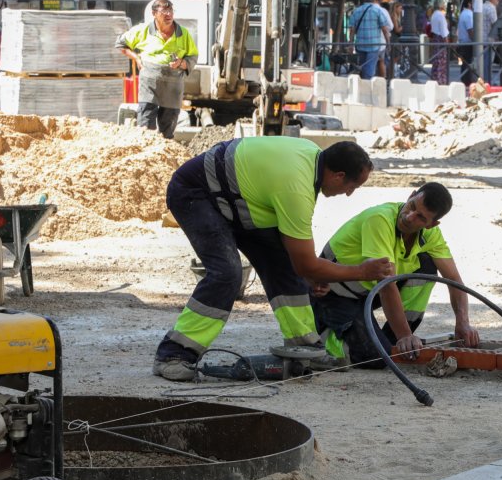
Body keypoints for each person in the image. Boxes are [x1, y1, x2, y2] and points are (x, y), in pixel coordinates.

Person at [153, 137, 395, 381]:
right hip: (197, 193)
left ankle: (304, 348)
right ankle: (174, 354)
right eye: (352, 186)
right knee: (227, 274)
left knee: (284, 266)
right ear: (337, 175)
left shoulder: (311, 158)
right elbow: (306, 264)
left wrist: (311, 273)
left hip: (239, 200)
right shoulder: (296, 188)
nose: (349, 194)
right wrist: (362, 272)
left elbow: (301, 264)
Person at [311, 183, 478, 368]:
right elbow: (386, 285)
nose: (409, 217)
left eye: (421, 217)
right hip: (332, 294)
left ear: (432, 224)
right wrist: (406, 335)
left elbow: (453, 279)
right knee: (374, 358)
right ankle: (324, 332)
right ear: (411, 195)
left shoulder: (431, 235)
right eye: (412, 206)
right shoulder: (380, 219)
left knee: (427, 266)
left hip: (366, 293)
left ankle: (392, 339)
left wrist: (463, 322)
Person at [116, 0, 198, 140]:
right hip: (150, 82)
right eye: (164, 11)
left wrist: (181, 63)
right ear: (154, 13)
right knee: (145, 123)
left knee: (168, 125)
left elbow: (193, 56)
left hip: (172, 85)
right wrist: (136, 58)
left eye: (170, 10)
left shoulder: (183, 34)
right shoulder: (143, 30)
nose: (168, 14)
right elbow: (121, 44)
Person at [351, 0, 392, 80]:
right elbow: (385, 29)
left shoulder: (356, 11)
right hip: (374, 44)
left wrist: (350, 43)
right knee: (369, 68)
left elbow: (352, 29)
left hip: (360, 44)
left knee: (362, 66)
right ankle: (367, 88)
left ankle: (362, 86)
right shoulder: (377, 11)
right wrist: (388, 42)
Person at [428, 0, 450, 84]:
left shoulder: (434, 15)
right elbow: (444, 32)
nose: (445, 5)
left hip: (435, 39)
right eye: (444, 4)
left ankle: (435, 78)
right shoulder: (440, 16)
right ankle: (440, 80)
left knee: (436, 61)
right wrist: (447, 42)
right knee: (441, 62)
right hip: (441, 40)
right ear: (441, 6)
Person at [456, 0, 476, 85]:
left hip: (462, 42)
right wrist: (475, 41)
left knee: (464, 63)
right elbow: (470, 30)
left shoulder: (463, 13)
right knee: (468, 63)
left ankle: (464, 81)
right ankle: (467, 82)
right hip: (468, 43)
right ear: (469, 4)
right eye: (473, 3)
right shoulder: (469, 14)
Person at [481, 0, 500, 82]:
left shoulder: (482, 6)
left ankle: (483, 81)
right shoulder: (491, 8)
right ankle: (487, 82)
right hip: (489, 40)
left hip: (481, 40)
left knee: (483, 63)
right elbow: (495, 24)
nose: (498, 0)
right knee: (488, 64)